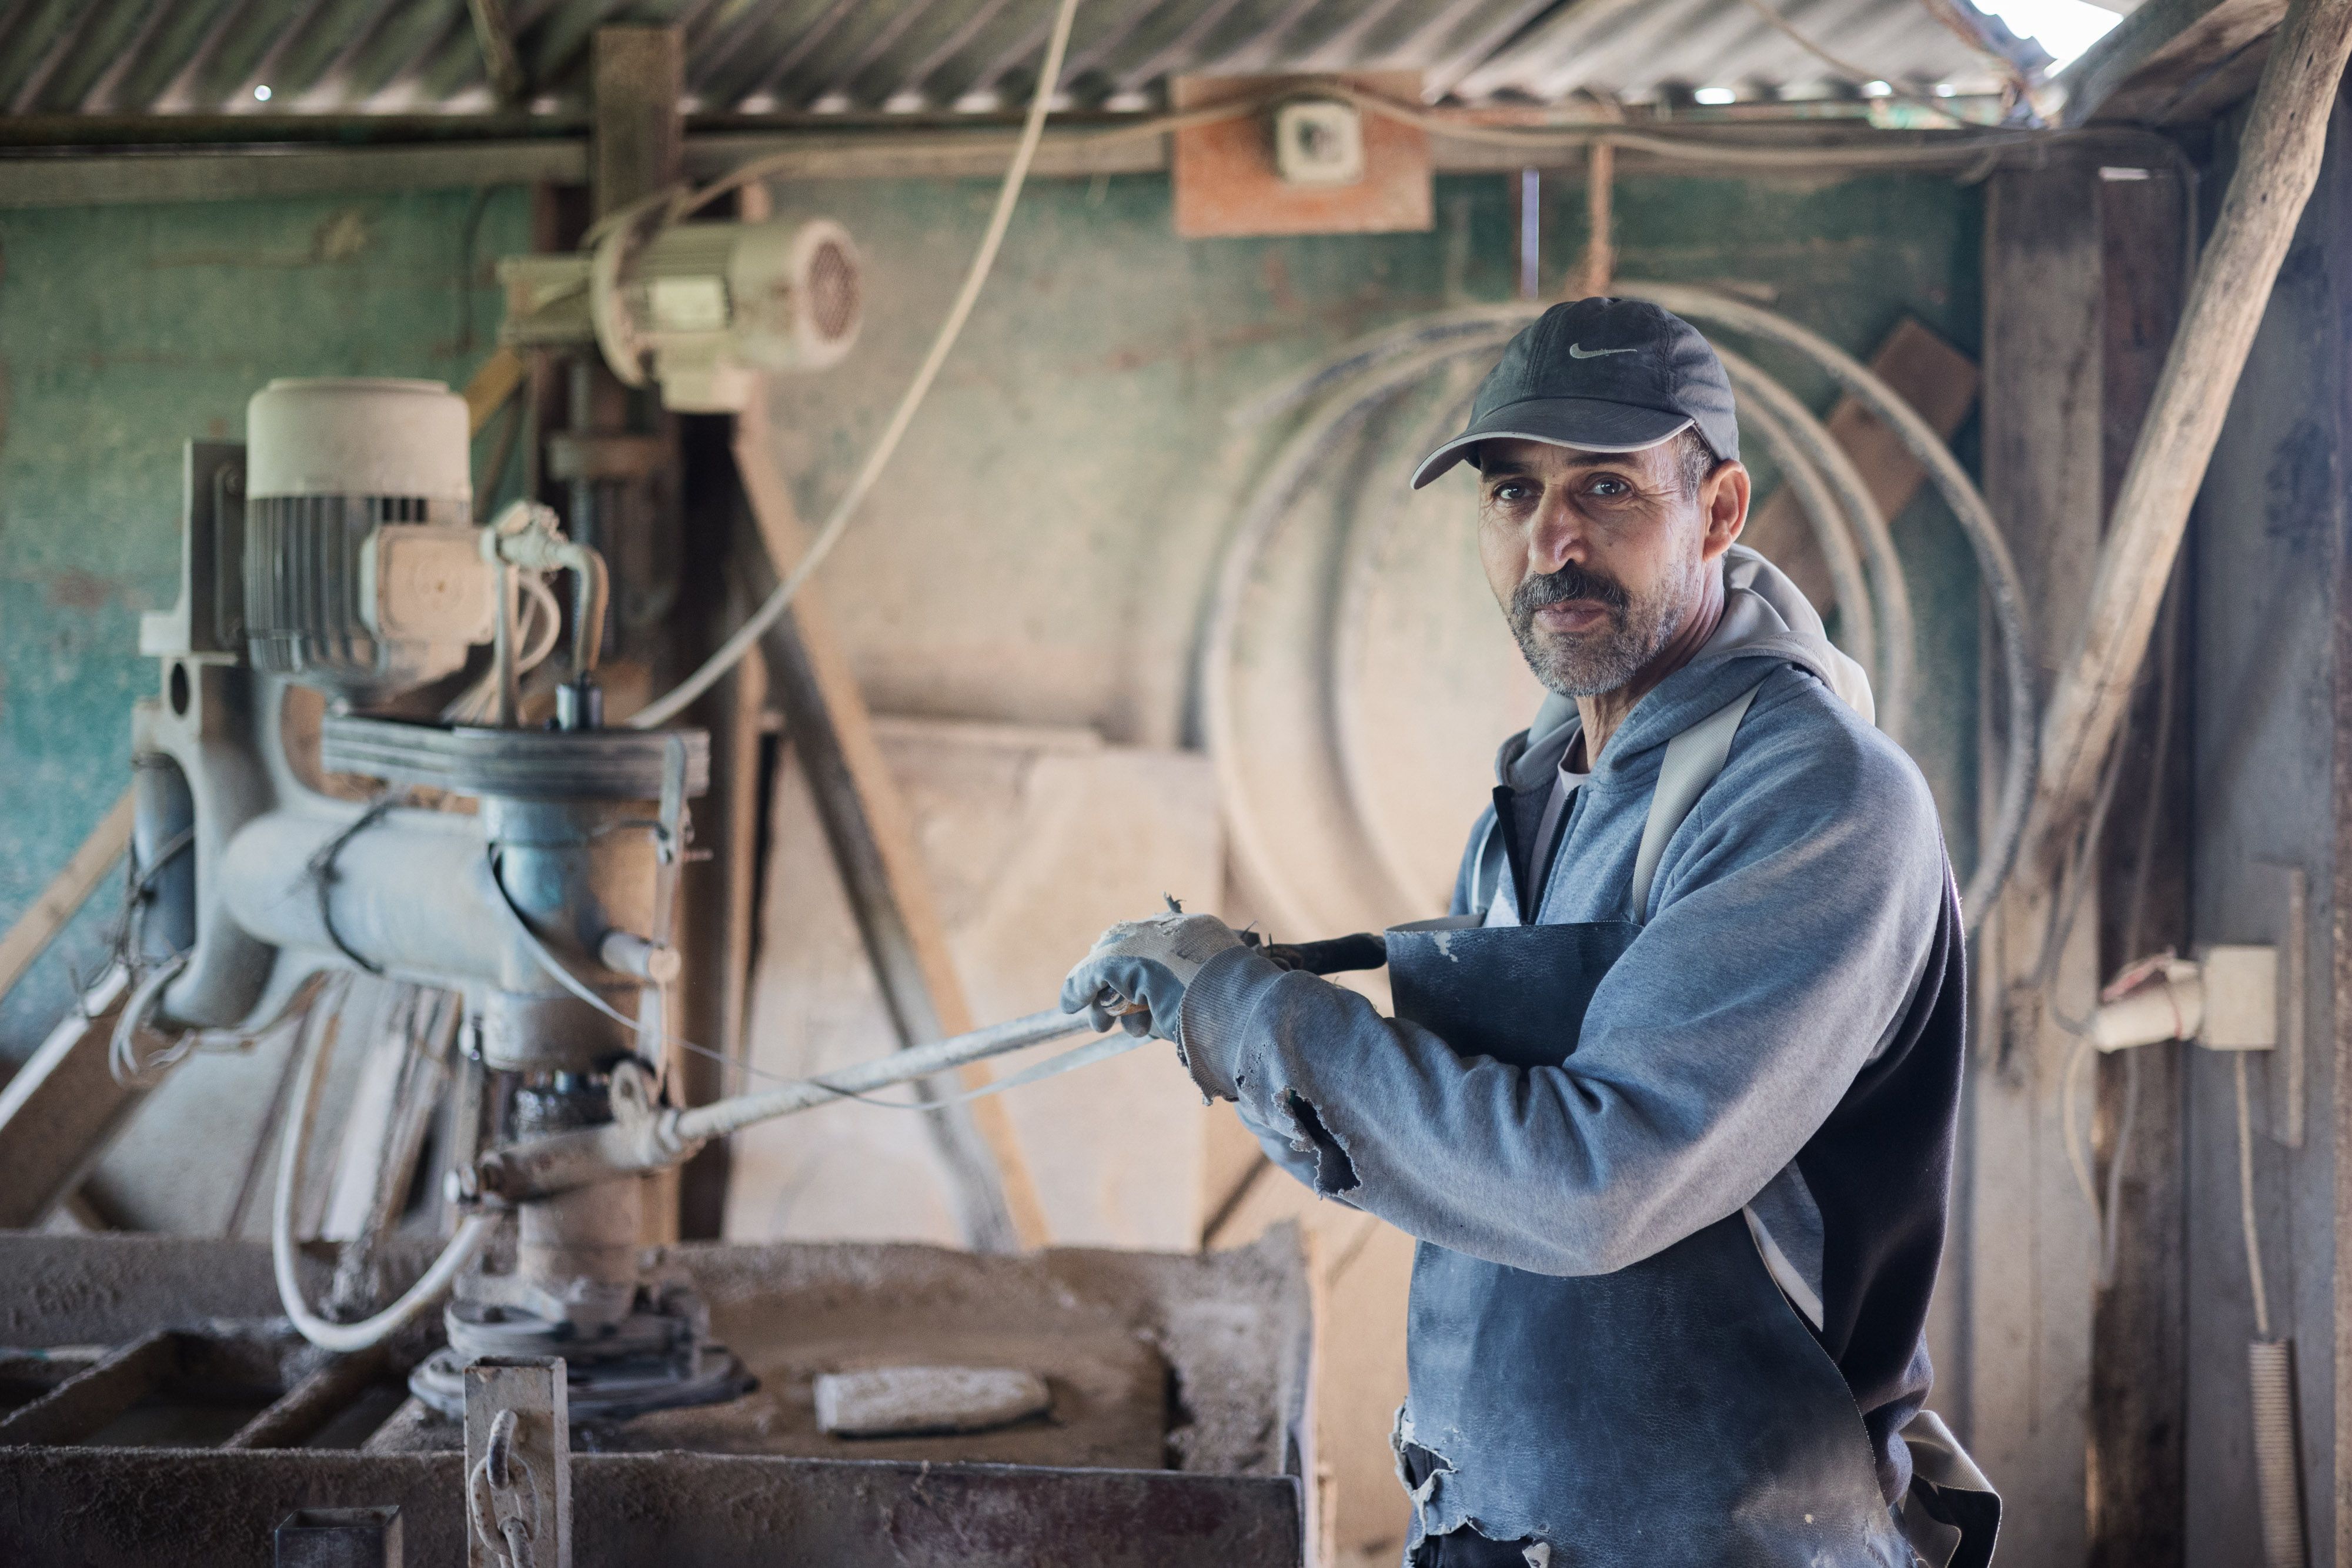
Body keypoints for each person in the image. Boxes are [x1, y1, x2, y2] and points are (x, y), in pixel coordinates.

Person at [1061, 298, 1997, 1567]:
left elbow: (1596, 1187)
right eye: (1511, 492)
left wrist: (1248, 1017)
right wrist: (1222, 1024)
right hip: (1502, 1521)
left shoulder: (1816, 799)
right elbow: (1459, 1161)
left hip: (1732, 1542)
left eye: (1605, 487)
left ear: (1718, 511)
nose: (1551, 540)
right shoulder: (1539, 791)